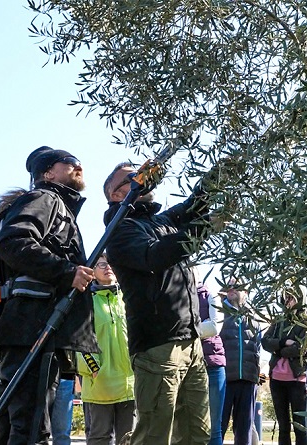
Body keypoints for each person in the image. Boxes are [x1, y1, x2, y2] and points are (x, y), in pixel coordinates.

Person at [0, 146, 98, 444]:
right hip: (33, 326)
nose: (79, 166)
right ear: (49, 172)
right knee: (31, 425)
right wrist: (67, 272)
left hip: (29, 327)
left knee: (16, 424)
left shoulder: (56, 206)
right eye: (71, 162)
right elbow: (14, 241)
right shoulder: (45, 198)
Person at [103, 161, 214, 445]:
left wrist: (217, 176)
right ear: (117, 194)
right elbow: (155, 256)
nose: (141, 177)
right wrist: (203, 229)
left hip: (191, 343)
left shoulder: (160, 221)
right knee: (154, 435)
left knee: (196, 435)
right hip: (158, 346)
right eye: (132, 177)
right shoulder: (120, 231)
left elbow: (194, 206)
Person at [77, 253, 134, 445]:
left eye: (110, 263)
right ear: (92, 272)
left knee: (129, 438)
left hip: (129, 382)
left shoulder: (129, 297)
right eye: (101, 264)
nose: (107, 267)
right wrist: (92, 368)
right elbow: (78, 339)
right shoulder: (85, 302)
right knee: (99, 437)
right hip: (99, 383)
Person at [261, 288, 307, 445]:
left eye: (292, 298)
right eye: (286, 298)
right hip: (276, 379)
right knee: (283, 426)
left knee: (300, 425)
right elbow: (265, 341)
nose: (289, 302)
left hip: (297, 379)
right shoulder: (278, 322)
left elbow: (301, 348)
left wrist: (279, 350)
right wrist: (283, 343)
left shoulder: (306, 322)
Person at [219, 282, 262, 445]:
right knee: (218, 427)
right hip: (224, 379)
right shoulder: (218, 312)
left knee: (244, 431)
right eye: (228, 286)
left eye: (236, 286)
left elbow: (258, 346)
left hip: (248, 380)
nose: (231, 289)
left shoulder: (254, 315)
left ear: (246, 291)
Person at [197, 281, 226, 445]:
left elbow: (215, 327)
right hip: (186, 365)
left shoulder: (210, 295)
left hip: (213, 365)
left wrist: (186, 329)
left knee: (214, 427)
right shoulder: (175, 294)